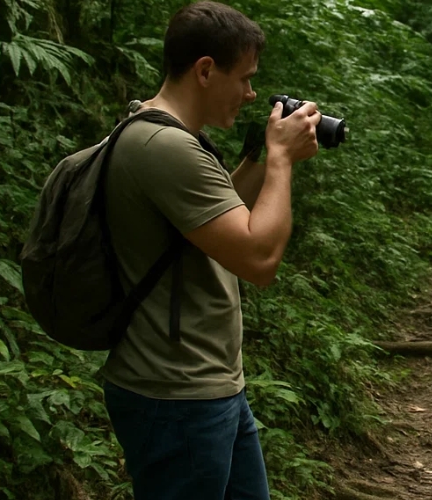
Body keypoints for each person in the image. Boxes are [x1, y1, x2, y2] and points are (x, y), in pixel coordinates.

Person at [98, 2, 321, 499]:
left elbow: (225, 219)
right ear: (204, 70)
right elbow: (258, 260)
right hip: (174, 395)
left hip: (207, 386)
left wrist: (267, 153)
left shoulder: (174, 138)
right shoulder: (165, 147)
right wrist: (281, 162)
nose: (251, 93)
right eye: (244, 79)